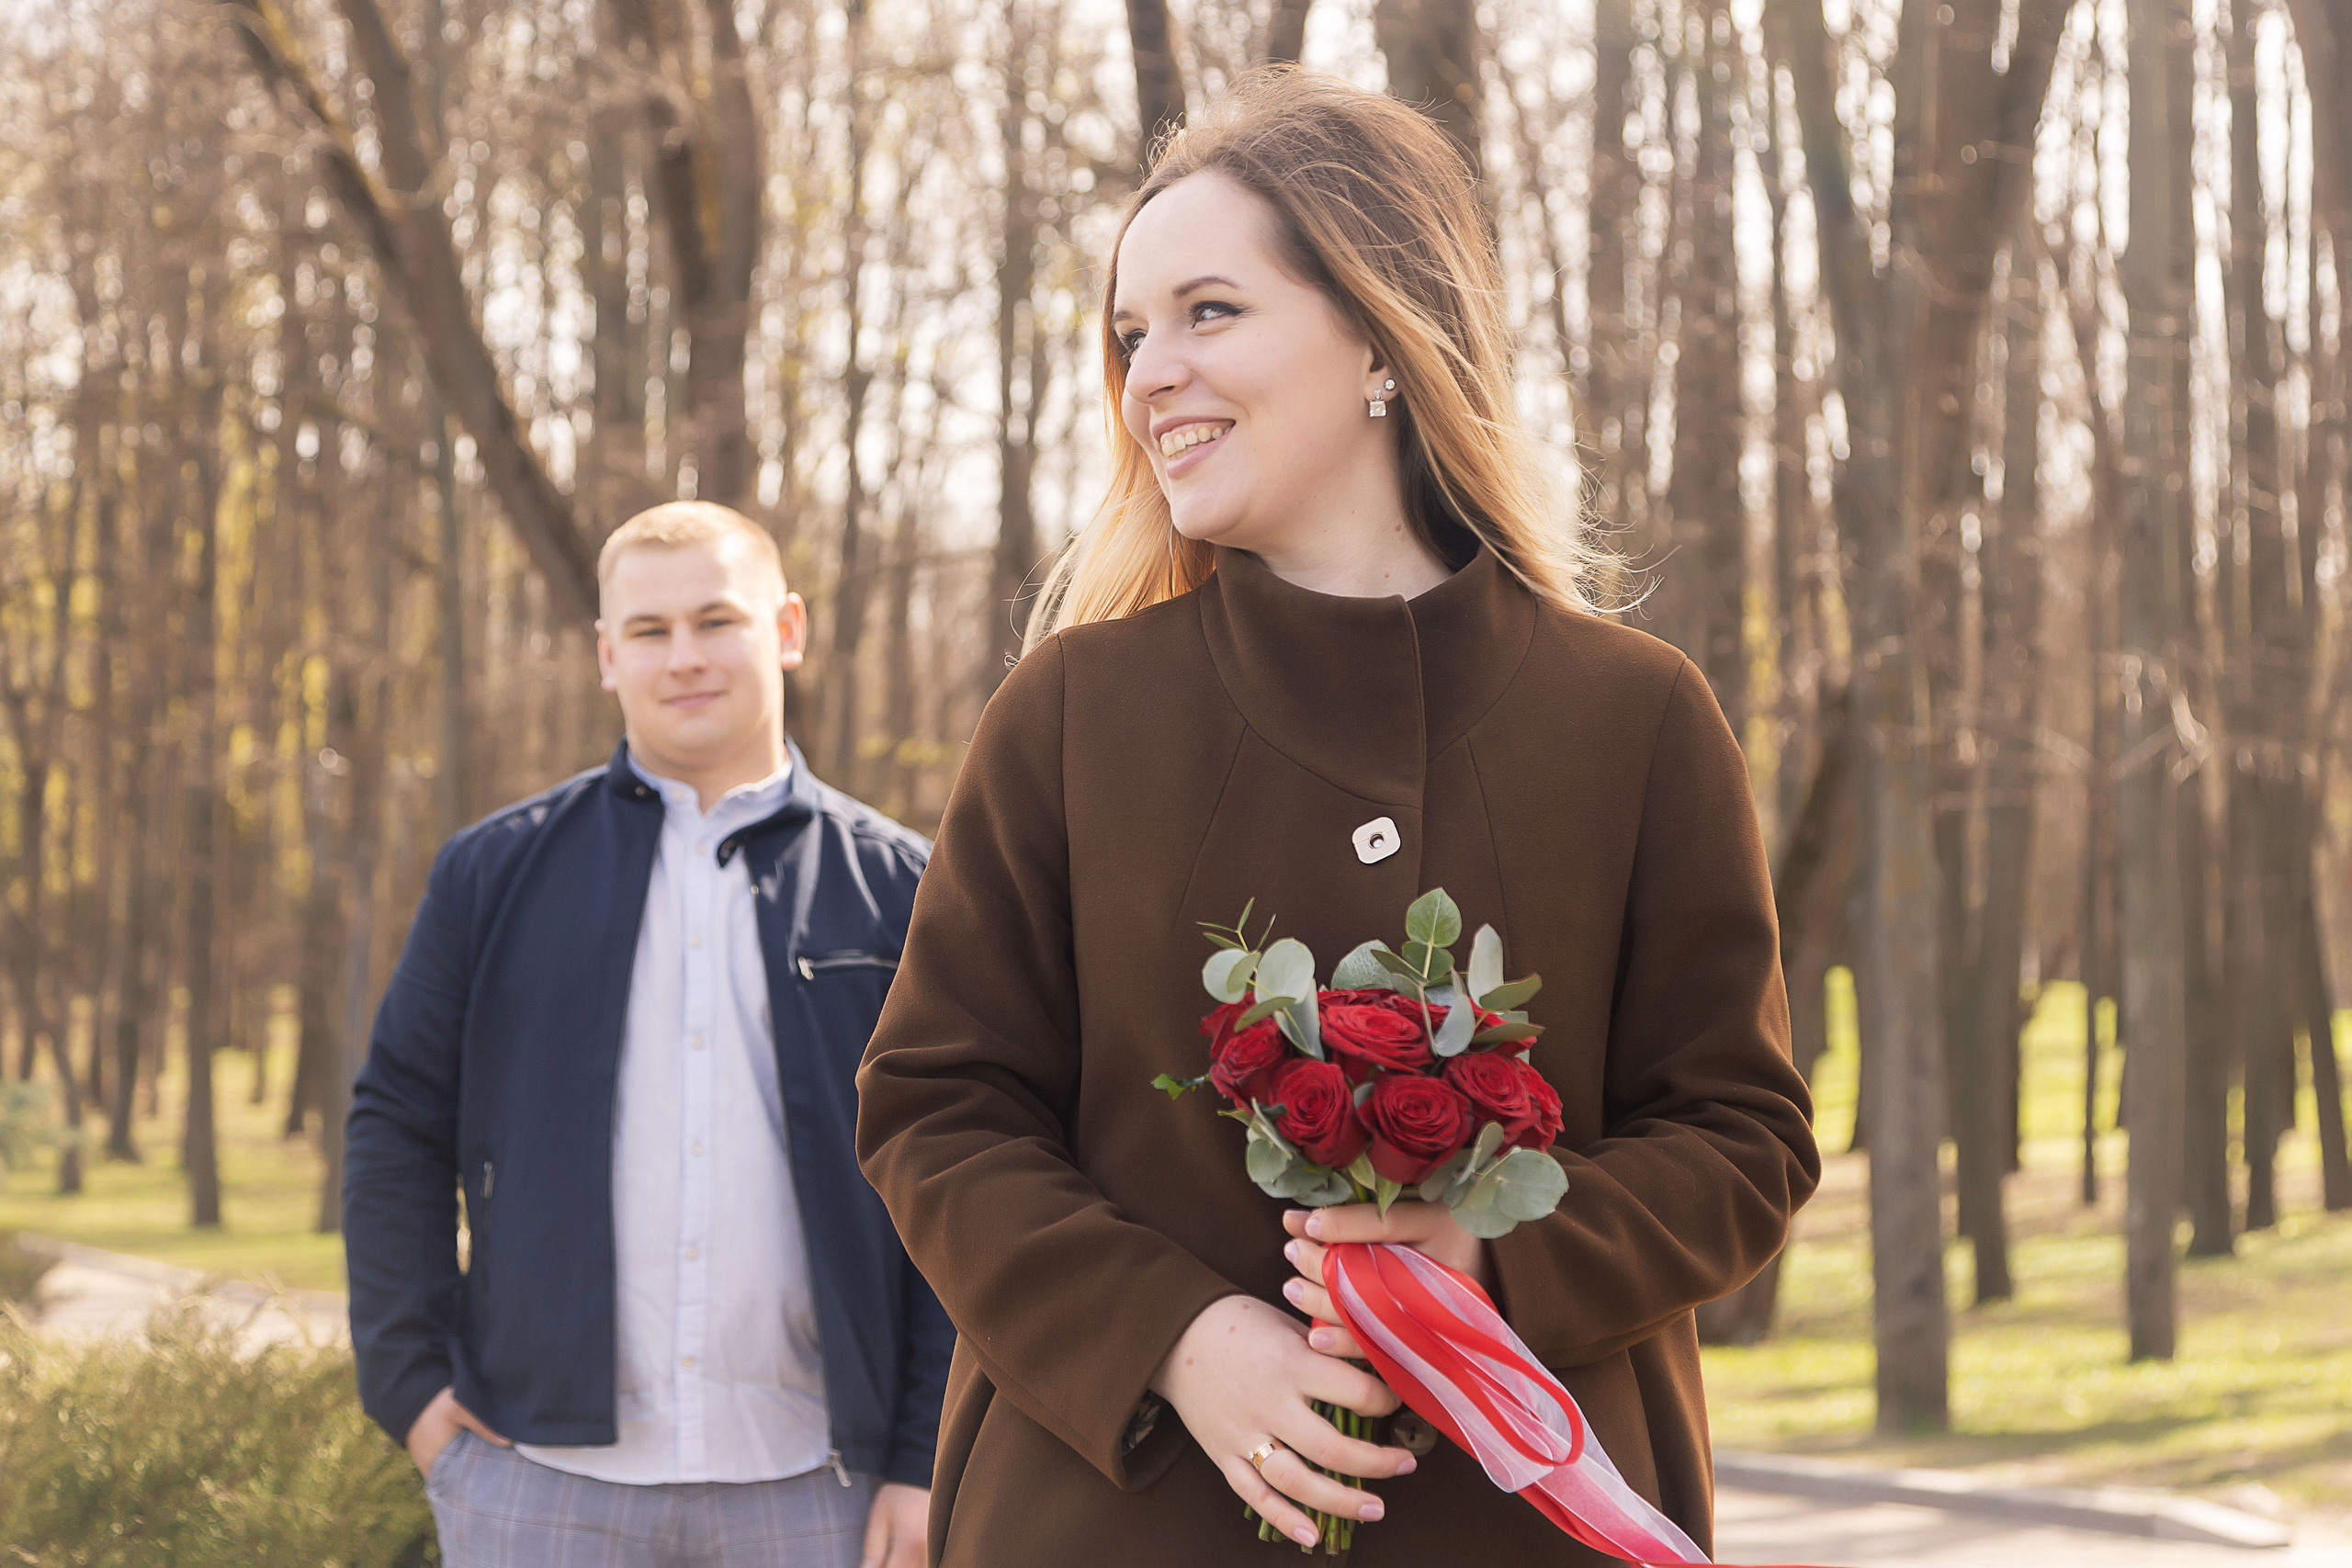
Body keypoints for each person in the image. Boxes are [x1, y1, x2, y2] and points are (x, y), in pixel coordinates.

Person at [854, 67, 1820, 1566]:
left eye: (1208, 311)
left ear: (1376, 332)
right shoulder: (1071, 713)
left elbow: (1743, 1134)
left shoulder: (1635, 717)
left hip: (1526, 1526)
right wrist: (1177, 1337)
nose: (1148, 371)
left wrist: (1500, 1259)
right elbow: (935, 1108)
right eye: (1130, 334)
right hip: (1116, 1515)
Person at [345, 502, 951, 1568]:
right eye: (649, 631)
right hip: (535, 1484)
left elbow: (959, 1173)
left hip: (822, 1489)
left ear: (788, 630)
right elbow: (395, 1126)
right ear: (605, 655)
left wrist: (923, 1454)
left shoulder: (905, 888)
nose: (684, 658)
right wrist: (413, 1394)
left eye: (717, 621)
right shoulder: (491, 875)